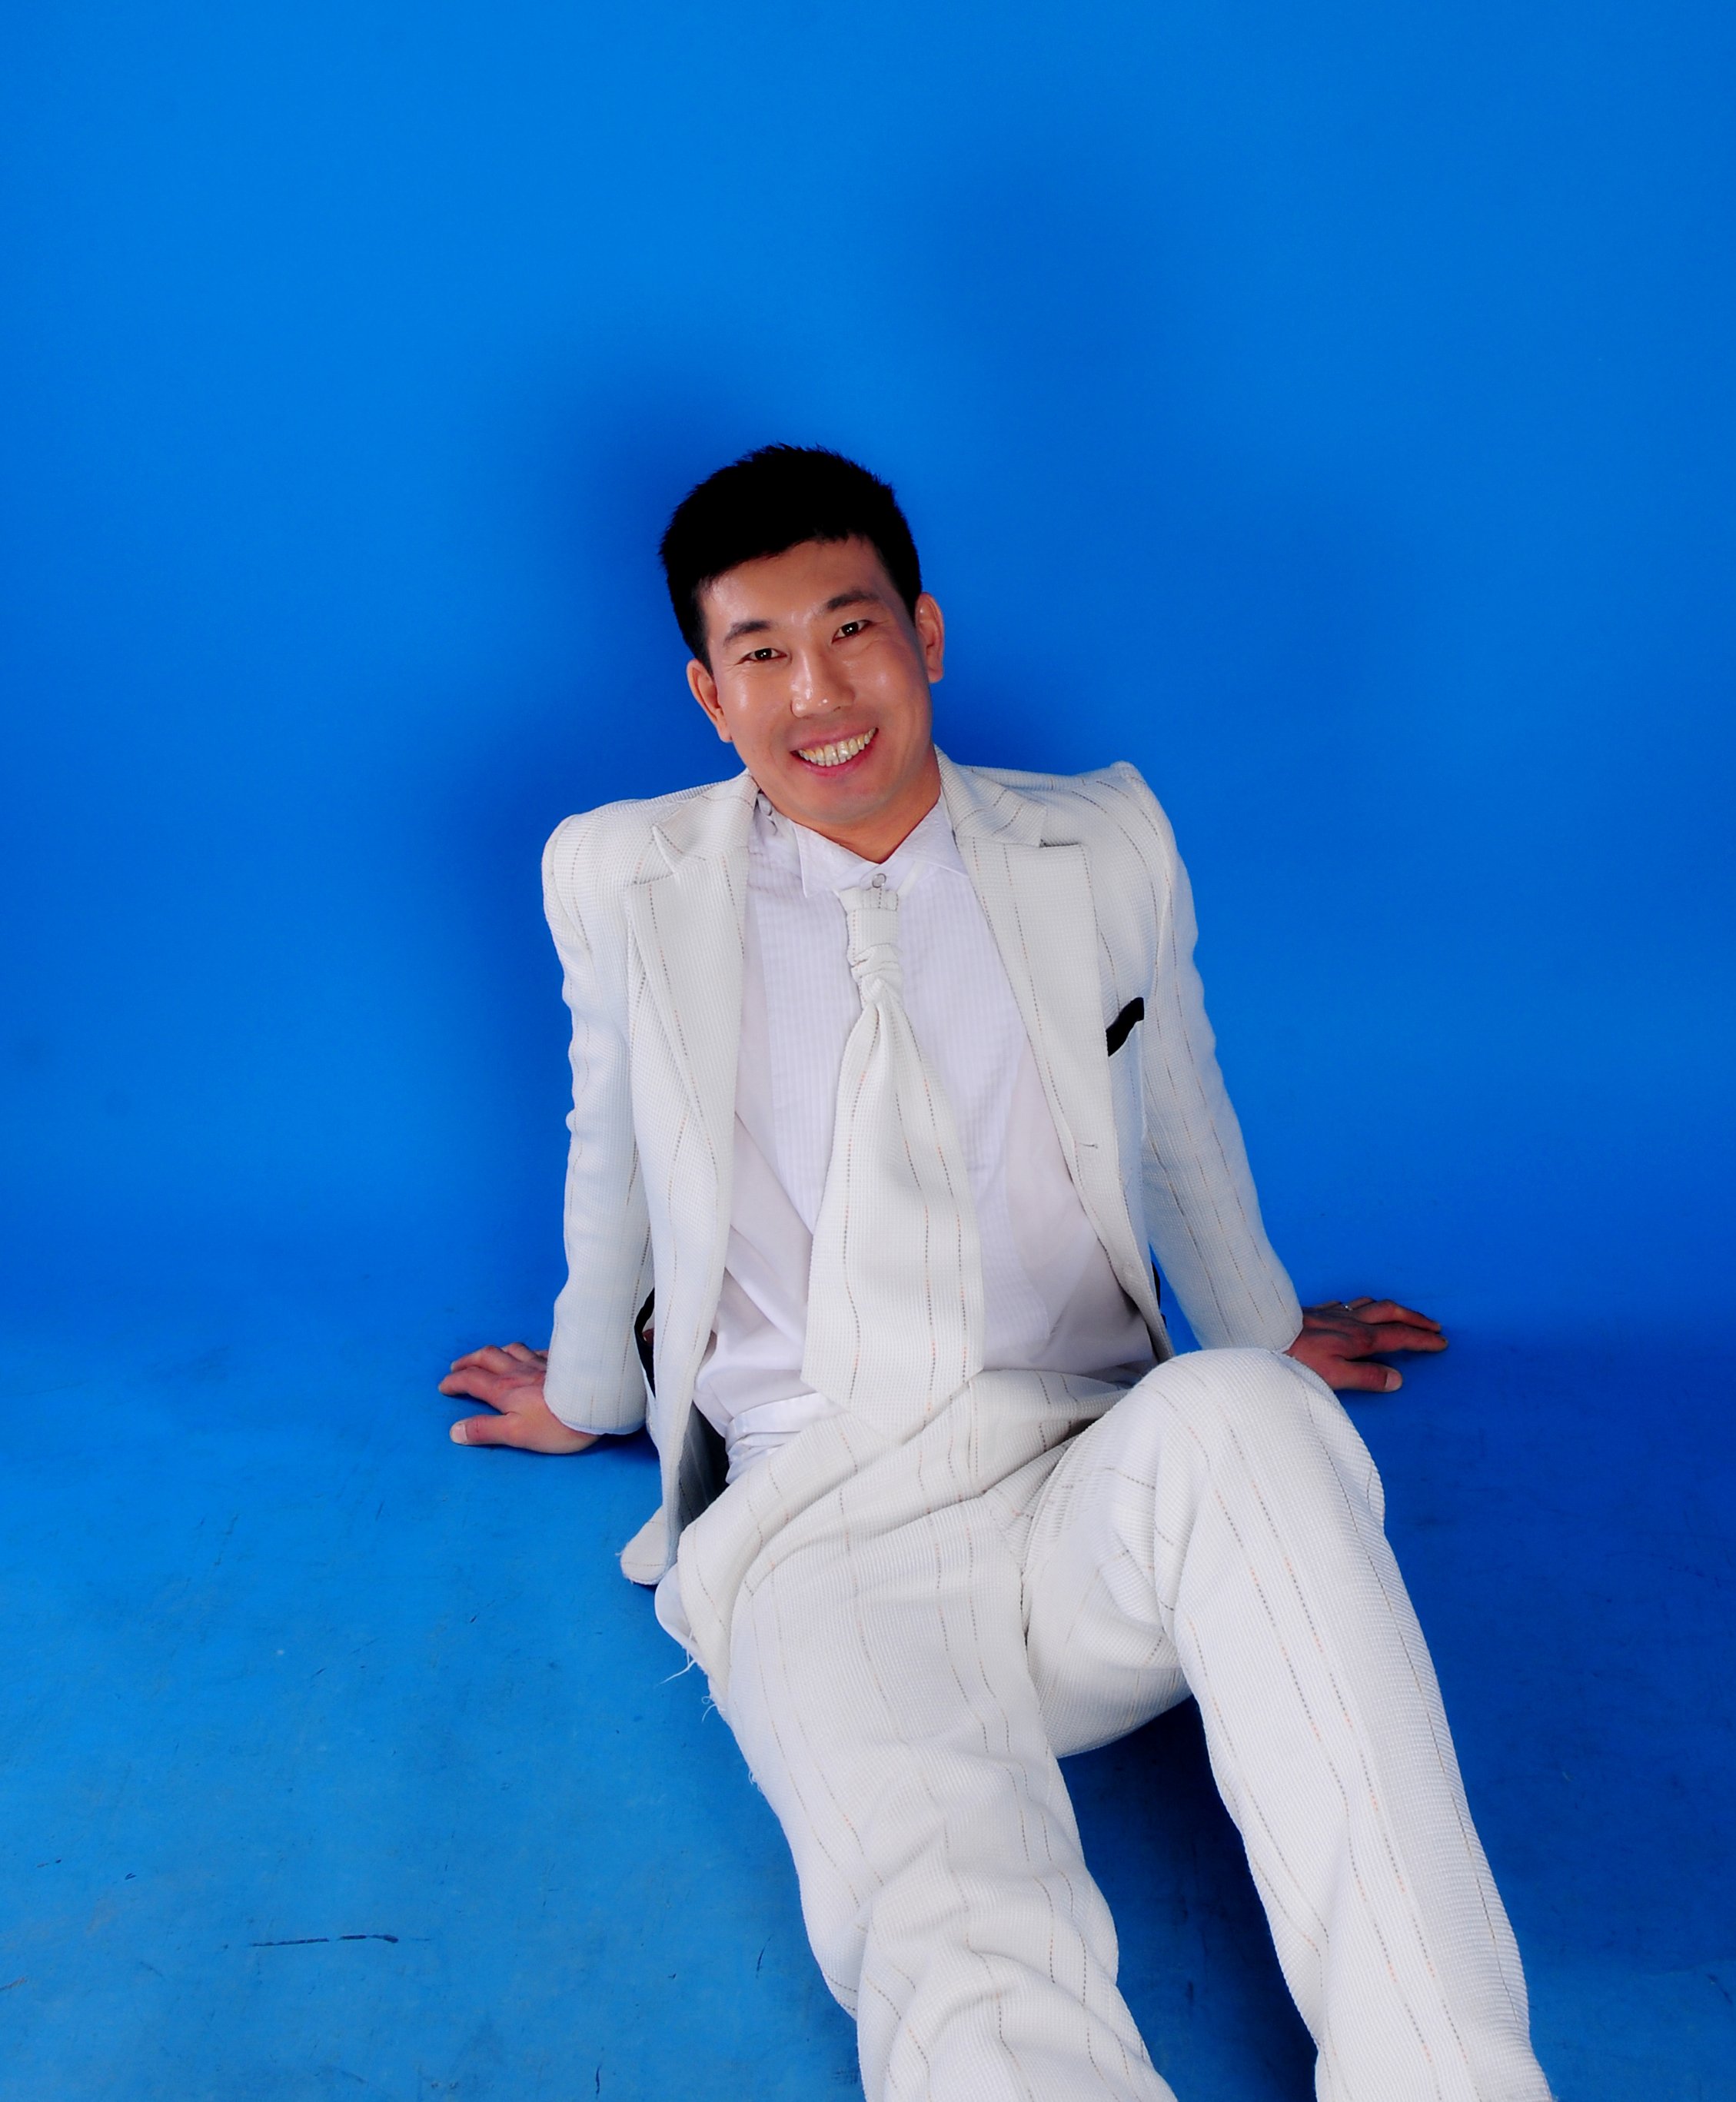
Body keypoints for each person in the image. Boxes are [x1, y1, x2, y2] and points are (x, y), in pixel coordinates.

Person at [439, 446, 1551, 2102]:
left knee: (1248, 1413)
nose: (818, 692)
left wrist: (1260, 1331)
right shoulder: (620, 876)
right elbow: (609, 1159)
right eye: (761, 652)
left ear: (926, 635)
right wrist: (594, 1393)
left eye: (851, 629)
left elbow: (1180, 1115)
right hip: (818, 1529)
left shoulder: (1099, 844)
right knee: (964, 1948)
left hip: (1085, 1476)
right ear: (708, 694)